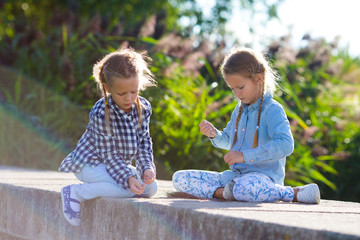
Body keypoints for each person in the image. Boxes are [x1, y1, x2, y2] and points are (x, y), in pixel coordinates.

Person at [172, 47, 320, 204]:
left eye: (240, 87)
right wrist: (215, 135)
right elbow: (230, 141)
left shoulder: (272, 110)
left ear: (258, 79)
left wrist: (245, 156)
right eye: (232, 88)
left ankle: (292, 193)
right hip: (235, 177)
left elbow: (286, 145)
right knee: (180, 178)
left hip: (261, 179)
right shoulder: (239, 109)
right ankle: (223, 193)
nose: (236, 93)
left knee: (245, 189)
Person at [59, 48, 158, 226]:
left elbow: (144, 143)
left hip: (115, 166)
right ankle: (76, 192)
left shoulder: (143, 108)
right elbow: (108, 154)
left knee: (151, 188)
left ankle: (127, 181)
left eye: (133, 91)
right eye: (121, 94)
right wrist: (128, 177)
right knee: (127, 188)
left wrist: (146, 169)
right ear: (107, 88)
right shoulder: (101, 112)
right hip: (91, 164)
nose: (129, 98)